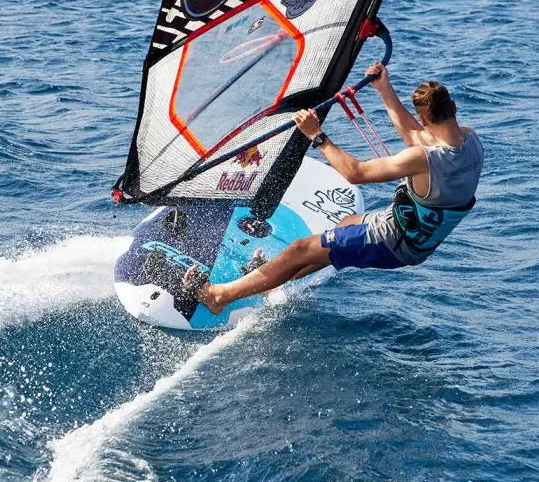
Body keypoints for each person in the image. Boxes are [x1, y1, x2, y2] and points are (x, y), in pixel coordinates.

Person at [186, 64, 484, 315]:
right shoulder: (471, 140)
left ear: (424, 119)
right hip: (420, 243)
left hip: (391, 242)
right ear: (454, 109)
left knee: (299, 250)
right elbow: (416, 137)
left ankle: (219, 296)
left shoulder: (422, 158)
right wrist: (384, 89)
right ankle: (274, 281)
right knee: (345, 225)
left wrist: (316, 135)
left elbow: (355, 173)